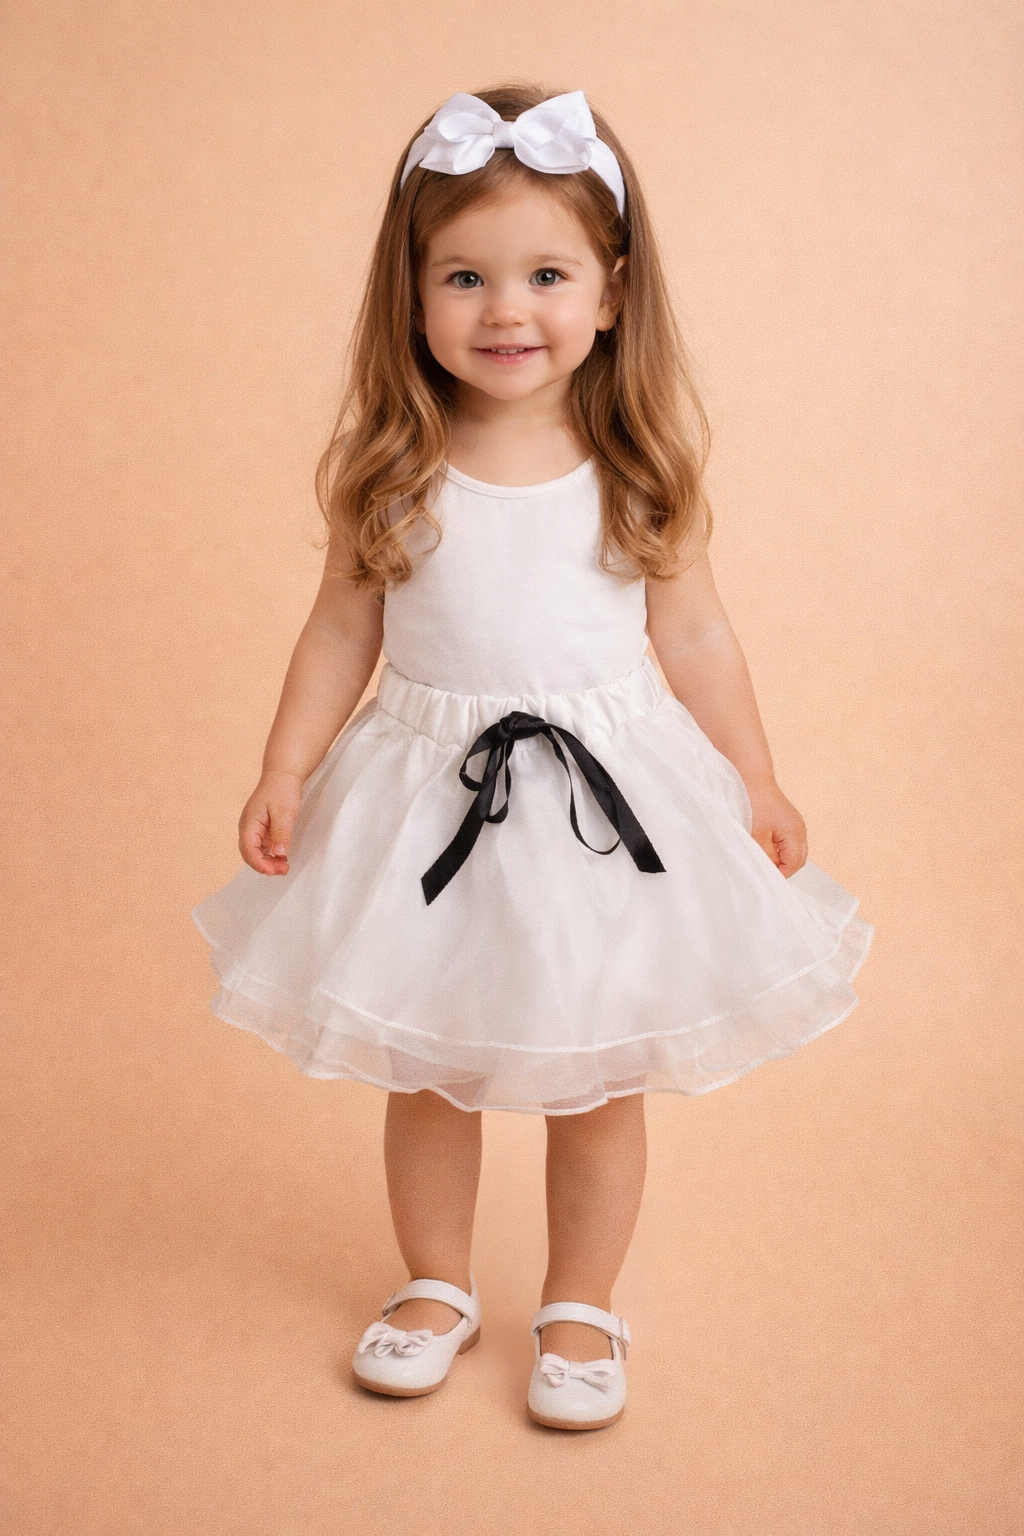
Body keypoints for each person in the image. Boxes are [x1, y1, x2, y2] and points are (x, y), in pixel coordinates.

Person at [192, 84, 873, 1431]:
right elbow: (339, 630)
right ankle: (435, 1284)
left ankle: (580, 1302)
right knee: (428, 1070)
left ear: (612, 293)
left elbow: (699, 636)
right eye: (466, 277)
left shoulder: (635, 467)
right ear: (413, 296)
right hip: (427, 800)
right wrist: (284, 767)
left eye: (547, 275)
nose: (508, 310)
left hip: (603, 816)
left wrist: (756, 776)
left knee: (598, 1076)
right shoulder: (395, 467)